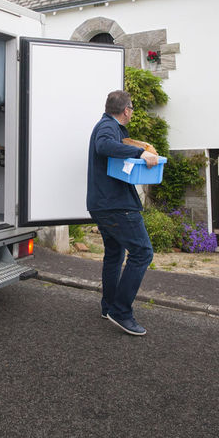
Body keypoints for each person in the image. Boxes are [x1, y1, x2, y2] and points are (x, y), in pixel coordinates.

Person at [87, 90, 159, 336]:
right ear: (126, 109)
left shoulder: (110, 127)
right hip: (116, 206)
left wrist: (136, 148)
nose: (132, 113)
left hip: (103, 204)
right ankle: (121, 311)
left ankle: (108, 307)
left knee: (115, 254)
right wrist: (141, 153)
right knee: (142, 252)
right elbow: (104, 146)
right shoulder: (108, 127)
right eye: (132, 109)